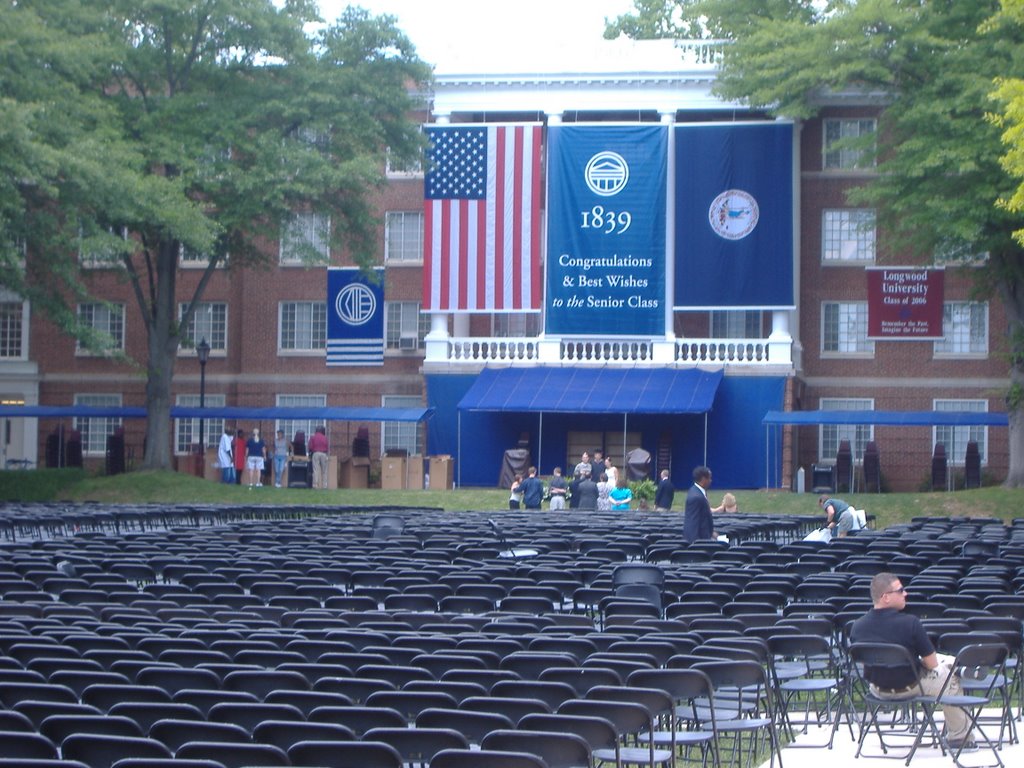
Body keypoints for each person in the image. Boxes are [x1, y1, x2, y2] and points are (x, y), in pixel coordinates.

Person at [849, 572, 973, 749]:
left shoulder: (857, 626)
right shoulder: (911, 623)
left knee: (935, 661)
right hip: (910, 687)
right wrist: (918, 663)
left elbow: (867, 661)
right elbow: (932, 665)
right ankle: (960, 739)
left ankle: (955, 664)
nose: (905, 593)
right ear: (885, 597)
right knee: (948, 677)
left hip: (877, 689)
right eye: (900, 590)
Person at [683, 465, 716, 541]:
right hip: (700, 543)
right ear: (704, 479)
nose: (711, 480)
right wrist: (696, 547)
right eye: (709, 478)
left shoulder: (696, 492)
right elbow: (692, 522)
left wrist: (711, 533)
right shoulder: (696, 497)